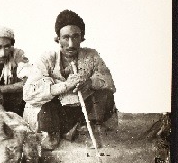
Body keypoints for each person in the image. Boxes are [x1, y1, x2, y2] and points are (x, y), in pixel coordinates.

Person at [23, 10, 118, 149]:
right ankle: (54, 133)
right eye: (65, 38)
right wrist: (65, 86)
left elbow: (109, 83)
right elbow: (29, 93)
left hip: (80, 110)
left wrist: (89, 83)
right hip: (57, 112)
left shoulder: (91, 55)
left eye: (75, 37)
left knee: (105, 95)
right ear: (58, 39)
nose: (71, 44)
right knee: (47, 104)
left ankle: (83, 128)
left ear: (82, 38)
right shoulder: (47, 58)